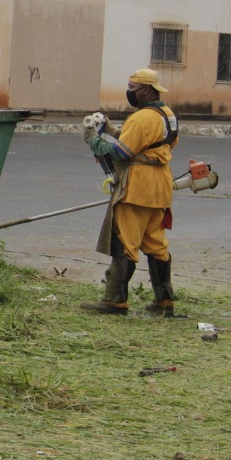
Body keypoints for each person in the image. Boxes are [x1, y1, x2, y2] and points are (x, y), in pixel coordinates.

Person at [80, 68, 180, 317]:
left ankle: (115, 301)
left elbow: (122, 153)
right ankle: (164, 300)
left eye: (132, 88)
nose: (129, 92)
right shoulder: (168, 115)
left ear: (146, 90)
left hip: (138, 187)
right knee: (156, 243)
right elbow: (144, 143)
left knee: (125, 242)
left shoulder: (141, 118)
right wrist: (111, 131)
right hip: (160, 186)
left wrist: (93, 138)